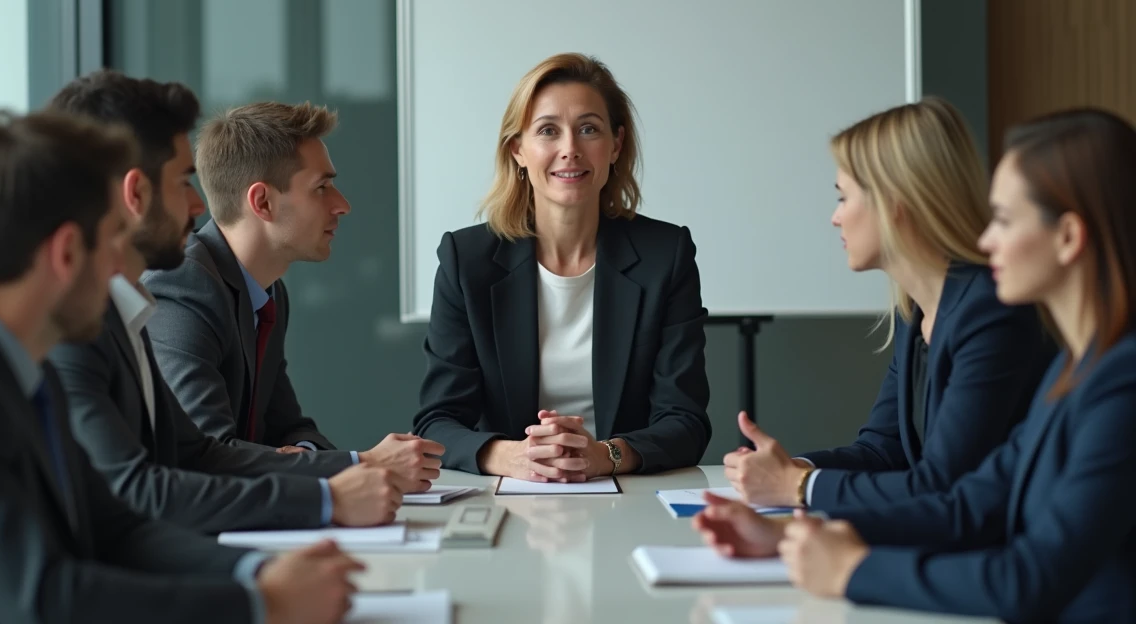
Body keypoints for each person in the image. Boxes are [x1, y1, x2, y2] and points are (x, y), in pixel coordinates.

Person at [697, 108, 1136, 622]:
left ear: (1067, 237)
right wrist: (789, 533)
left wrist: (850, 569)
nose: (986, 239)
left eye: (1005, 220)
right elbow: (970, 504)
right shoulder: (1077, 365)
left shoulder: (1120, 382)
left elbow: (1027, 577)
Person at [0, 110, 359, 624]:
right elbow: (43, 596)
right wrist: (259, 603)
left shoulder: (27, 359)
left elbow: (116, 529)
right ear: (68, 252)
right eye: (116, 236)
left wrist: (257, 573)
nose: (125, 270)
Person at [45, 70, 404, 532]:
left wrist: (327, 473)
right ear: (263, 203)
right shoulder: (173, 288)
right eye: (182, 182)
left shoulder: (264, 293)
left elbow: (239, 440)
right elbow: (173, 475)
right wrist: (342, 480)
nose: (198, 206)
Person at [724, 98, 1052, 508]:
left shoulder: (991, 313)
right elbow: (883, 450)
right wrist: (792, 468)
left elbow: (942, 484)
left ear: (895, 203)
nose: (835, 217)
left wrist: (797, 487)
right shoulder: (915, 310)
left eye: (843, 198)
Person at [413, 52, 711, 479]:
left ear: (616, 145)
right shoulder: (467, 260)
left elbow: (685, 423)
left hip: (626, 494)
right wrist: (513, 457)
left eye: (589, 129)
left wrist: (603, 455)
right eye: (548, 131)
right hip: (509, 493)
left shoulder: (666, 254)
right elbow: (437, 420)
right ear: (518, 149)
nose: (570, 149)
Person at [143, 101, 441, 491]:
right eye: (321, 187)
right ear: (262, 202)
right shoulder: (184, 285)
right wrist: (361, 462)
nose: (342, 205)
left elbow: (289, 427)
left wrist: (297, 454)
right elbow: (206, 455)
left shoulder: (267, 295)